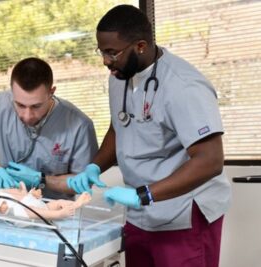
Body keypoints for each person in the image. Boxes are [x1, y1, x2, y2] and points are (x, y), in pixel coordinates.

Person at [66, 5, 231, 267]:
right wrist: (94, 166)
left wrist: (144, 195)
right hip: (141, 214)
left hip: (183, 214)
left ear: (140, 46)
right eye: (102, 52)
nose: (105, 61)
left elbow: (210, 161)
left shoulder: (184, 86)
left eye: (112, 53)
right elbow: (120, 126)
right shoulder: (120, 76)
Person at [0, 57, 99, 199]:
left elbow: (83, 183)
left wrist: (42, 180)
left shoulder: (80, 125)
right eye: (20, 105)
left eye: (36, 106)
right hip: (8, 204)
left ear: (51, 92)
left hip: (53, 212)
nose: (27, 116)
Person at [0, 176, 91, 220]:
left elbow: (14, 195)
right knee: (35, 211)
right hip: (23, 212)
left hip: (29, 202)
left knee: (56, 202)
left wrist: (29, 194)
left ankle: (75, 205)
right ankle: (57, 215)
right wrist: (0, 208)